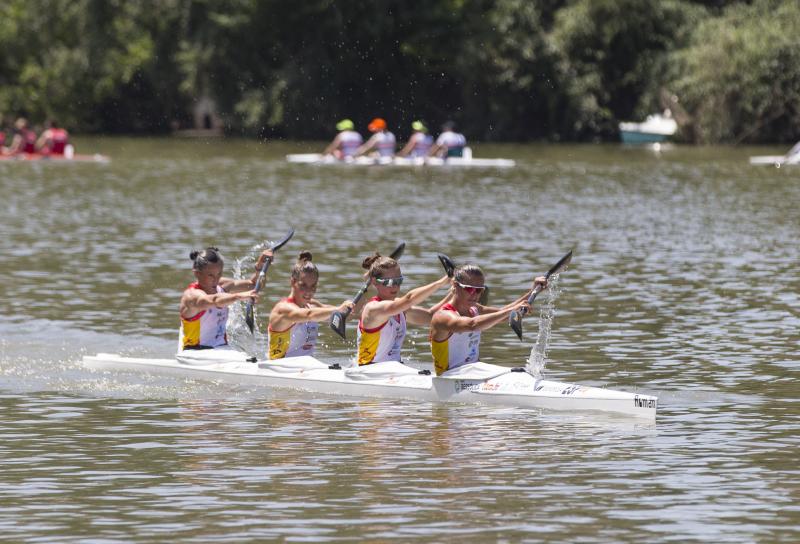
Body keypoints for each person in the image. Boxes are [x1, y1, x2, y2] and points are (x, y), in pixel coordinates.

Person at [429, 264, 547, 376]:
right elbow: (472, 324)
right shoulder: (442, 317)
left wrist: (533, 292)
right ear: (455, 285)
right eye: (470, 289)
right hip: (449, 376)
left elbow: (501, 314)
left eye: (479, 290)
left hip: (474, 371)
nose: (475, 295)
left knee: (519, 373)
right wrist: (511, 311)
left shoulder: (475, 309)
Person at [357, 252, 451, 365]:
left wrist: (454, 292)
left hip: (394, 371)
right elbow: (409, 299)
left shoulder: (400, 307)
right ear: (374, 282)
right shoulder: (373, 309)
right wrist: (441, 283)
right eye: (390, 282)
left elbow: (431, 316)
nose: (395, 286)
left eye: (398, 281)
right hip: (368, 371)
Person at [179, 246, 274, 351]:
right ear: (197, 273)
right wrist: (239, 296)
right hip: (195, 351)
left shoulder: (222, 285)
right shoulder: (191, 296)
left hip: (221, 349)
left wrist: (260, 266)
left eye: (219, 273)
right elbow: (214, 300)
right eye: (210, 275)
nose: (216, 280)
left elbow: (254, 284)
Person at [268, 251, 354, 360]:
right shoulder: (283, 309)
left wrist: (349, 309)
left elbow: (347, 316)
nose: (309, 291)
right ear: (293, 282)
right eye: (303, 285)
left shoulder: (312, 305)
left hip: (306, 369)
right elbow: (308, 315)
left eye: (313, 286)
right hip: (280, 369)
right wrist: (338, 309)